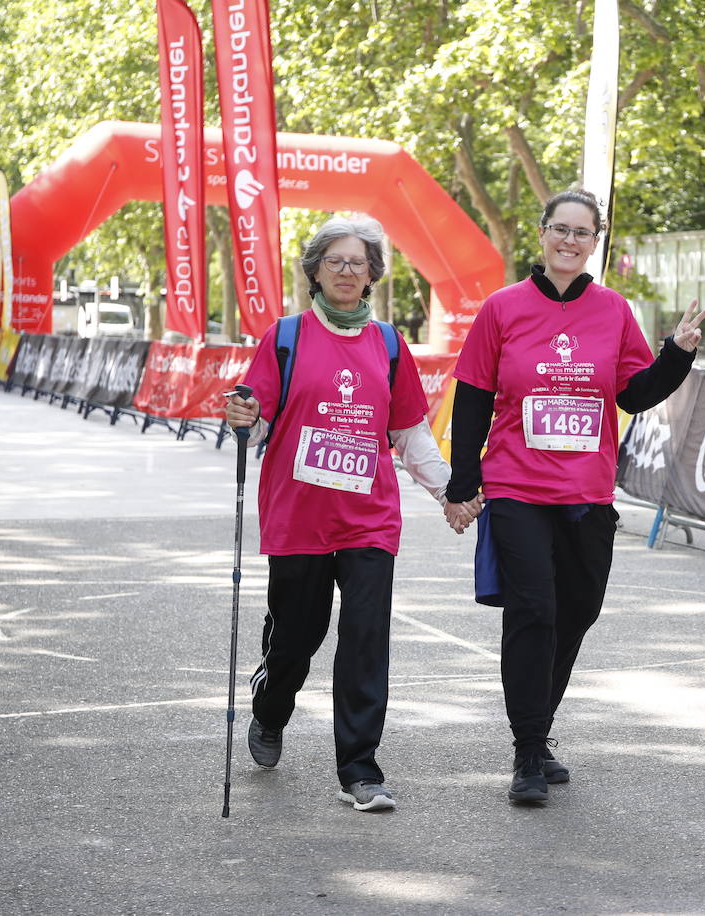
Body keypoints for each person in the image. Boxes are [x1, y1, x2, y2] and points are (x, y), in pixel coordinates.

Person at [444, 189, 705, 804]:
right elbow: (475, 399)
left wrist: (677, 355)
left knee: (577, 612)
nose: (569, 241)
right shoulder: (502, 309)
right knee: (533, 611)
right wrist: (464, 484)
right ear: (542, 235)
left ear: (596, 242)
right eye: (560, 229)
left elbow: (635, 395)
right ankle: (527, 752)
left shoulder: (613, 311)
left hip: (588, 492)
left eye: (582, 232)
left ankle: (537, 737)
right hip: (516, 488)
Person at [225, 216, 476, 812]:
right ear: (314, 269)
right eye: (335, 260)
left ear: (372, 276)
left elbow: (410, 430)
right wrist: (243, 417)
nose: (346, 270)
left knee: (365, 639)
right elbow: (256, 419)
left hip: (369, 519)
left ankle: (359, 769)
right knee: (298, 635)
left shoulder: (389, 345)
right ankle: (271, 705)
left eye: (358, 262)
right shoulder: (285, 337)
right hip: (299, 516)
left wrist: (450, 494)